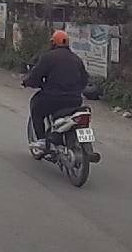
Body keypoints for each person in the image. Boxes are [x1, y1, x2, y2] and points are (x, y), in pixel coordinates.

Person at [22, 29, 88, 157]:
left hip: (53, 98)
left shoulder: (48, 57)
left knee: (36, 106)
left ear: (53, 43)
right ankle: (58, 135)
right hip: (75, 99)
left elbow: (35, 76)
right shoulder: (77, 59)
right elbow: (84, 79)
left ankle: (41, 140)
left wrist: (27, 82)